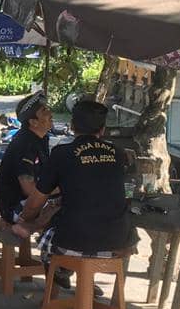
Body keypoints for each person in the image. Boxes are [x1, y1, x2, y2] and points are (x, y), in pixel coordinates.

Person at [22, 100, 132, 286]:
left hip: (74, 240)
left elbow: (36, 201)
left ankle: (56, 295)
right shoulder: (119, 153)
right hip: (117, 242)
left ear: (72, 126)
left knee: (47, 237)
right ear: (102, 129)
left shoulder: (61, 153)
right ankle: (88, 291)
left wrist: (26, 220)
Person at [0, 94, 56, 235]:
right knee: (71, 207)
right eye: (44, 111)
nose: (50, 113)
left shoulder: (40, 139)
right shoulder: (25, 145)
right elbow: (29, 189)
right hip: (15, 207)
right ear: (33, 122)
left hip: (29, 202)